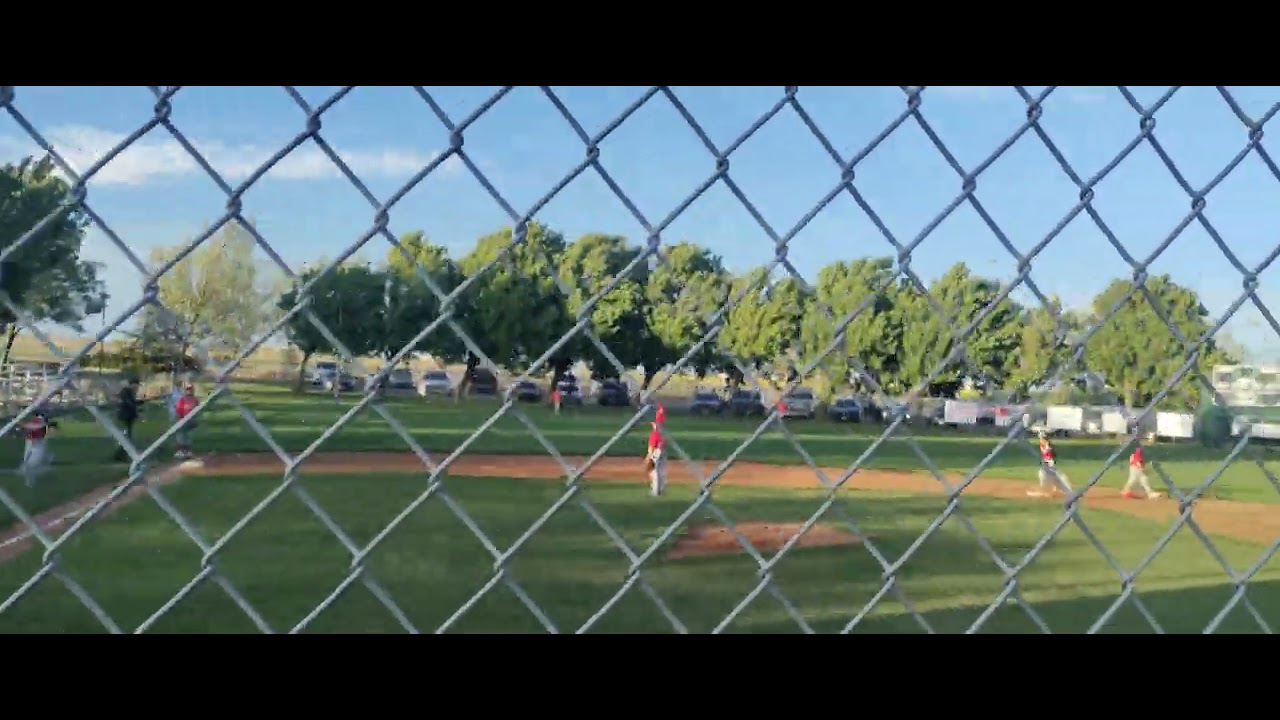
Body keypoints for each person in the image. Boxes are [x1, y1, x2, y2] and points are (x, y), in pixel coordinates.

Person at [18, 408, 57, 487]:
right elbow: (30, 429)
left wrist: (20, 423)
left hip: (36, 443)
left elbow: (33, 428)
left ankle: (30, 479)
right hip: (33, 442)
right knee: (29, 462)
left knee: (31, 463)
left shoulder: (39, 421)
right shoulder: (39, 421)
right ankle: (48, 459)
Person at [1030, 429, 1072, 496]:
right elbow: (1050, 450)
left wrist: (1049, 446)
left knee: (1054, 476)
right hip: (1048, 464)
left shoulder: (1045, 443)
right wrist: (1049, 445)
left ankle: (1047, 489)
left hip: (1048, 464)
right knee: (1055, 476)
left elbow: (1051, 452)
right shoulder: (1044, 442)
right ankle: (1053, 489)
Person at [114, 377, 144, 462]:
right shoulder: (126, 391)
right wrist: (138, 407)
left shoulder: (130, 392)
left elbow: (132, 403)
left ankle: (123, 455)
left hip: (129, 418)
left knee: (128, 437)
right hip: (124, 418)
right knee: (125, 437)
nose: (138, 387)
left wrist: (140, 402)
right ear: (133, 384)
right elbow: (130, 403)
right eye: (137, 385)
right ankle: (120, 455)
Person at [174, 382, 200, 460]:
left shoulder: (195, 400)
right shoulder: (182, 400)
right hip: (183, 420)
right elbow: (178, 411)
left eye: (190, 389)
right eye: (187, 389)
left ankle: (187, 451)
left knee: (187, 435)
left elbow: (198, 411)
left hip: (192, 421)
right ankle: (181, 451)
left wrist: (196, 420)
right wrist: (180, 420)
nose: (189, 391)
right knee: (181, 434)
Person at [645, 421, 666, 497]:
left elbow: (652, 447)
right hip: (662, 453)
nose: (653, 425)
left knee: (654, 473)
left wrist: (648, 456)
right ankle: (661, 490)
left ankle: (655, 491)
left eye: (654, 424)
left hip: (655, 453)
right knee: (661, 472)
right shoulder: (663, 434)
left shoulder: (654, 434)